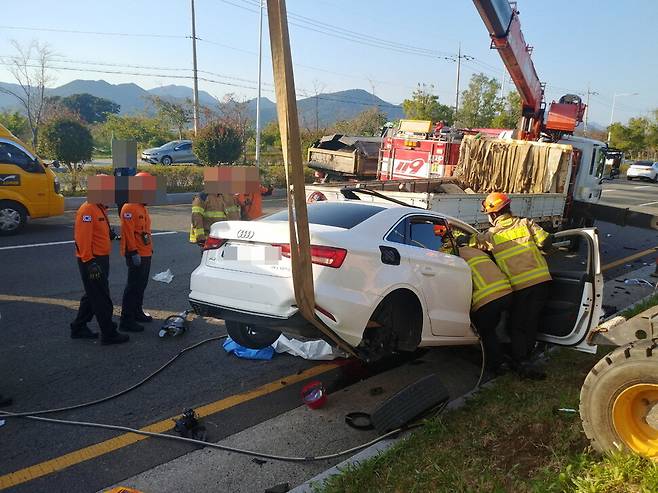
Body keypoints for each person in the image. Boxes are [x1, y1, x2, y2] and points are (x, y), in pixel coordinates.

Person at [465, 192, 553, 380]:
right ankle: (527, 357)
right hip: (542, 282)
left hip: (520, 287)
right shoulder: (526, 224)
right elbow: (546, 241)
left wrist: (458, 238)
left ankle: (521, 362)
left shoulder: (492, 236)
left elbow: (471, 242)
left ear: (494, 215)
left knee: (517, 326)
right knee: (531, 322)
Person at [442, 229, 513, 375]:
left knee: (487, 332)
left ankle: (495, 366)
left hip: (486, 297)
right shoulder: (474, 250)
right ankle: (510, 355)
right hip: (506, 292)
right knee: (499, 326)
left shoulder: (449, 254)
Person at [70, 196, 129, 345]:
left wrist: (111, 235)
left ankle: (78, 327)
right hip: (92, 260)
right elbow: (82, 239)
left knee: (92, 295)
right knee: (102, 298)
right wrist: (89, 262)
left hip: (99, 259)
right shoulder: (88, 210)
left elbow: (99, 229)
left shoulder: (99, 208)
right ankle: (109, 334)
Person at [119, 172, 154, 332]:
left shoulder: (142, 208)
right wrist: (133, 253)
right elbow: (128, 233)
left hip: (146, 253)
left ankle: (137, 312)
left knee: (141, 285)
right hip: (136, 254)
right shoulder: (129, 207)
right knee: (132, 287)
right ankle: (126, 319)